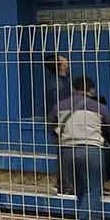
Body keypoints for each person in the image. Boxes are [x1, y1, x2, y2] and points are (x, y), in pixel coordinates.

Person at [51, 76, 110, 220]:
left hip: (67, 151)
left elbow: (52, 126)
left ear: (73, 89)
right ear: (91, 90)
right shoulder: (100, 108)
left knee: (81, 189)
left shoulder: (59, 106)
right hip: (91, 149)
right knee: (94, 189)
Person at [43, 52, 75, 195]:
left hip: (63, 122)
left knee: (66, 153)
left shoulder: (62, 81)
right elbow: (59, 106)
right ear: (60, 65)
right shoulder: (58, 84)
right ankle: (65, 186)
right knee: (65, 154)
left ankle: (65, 184)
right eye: (63, 59)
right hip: (62, 123)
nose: (67, 60)